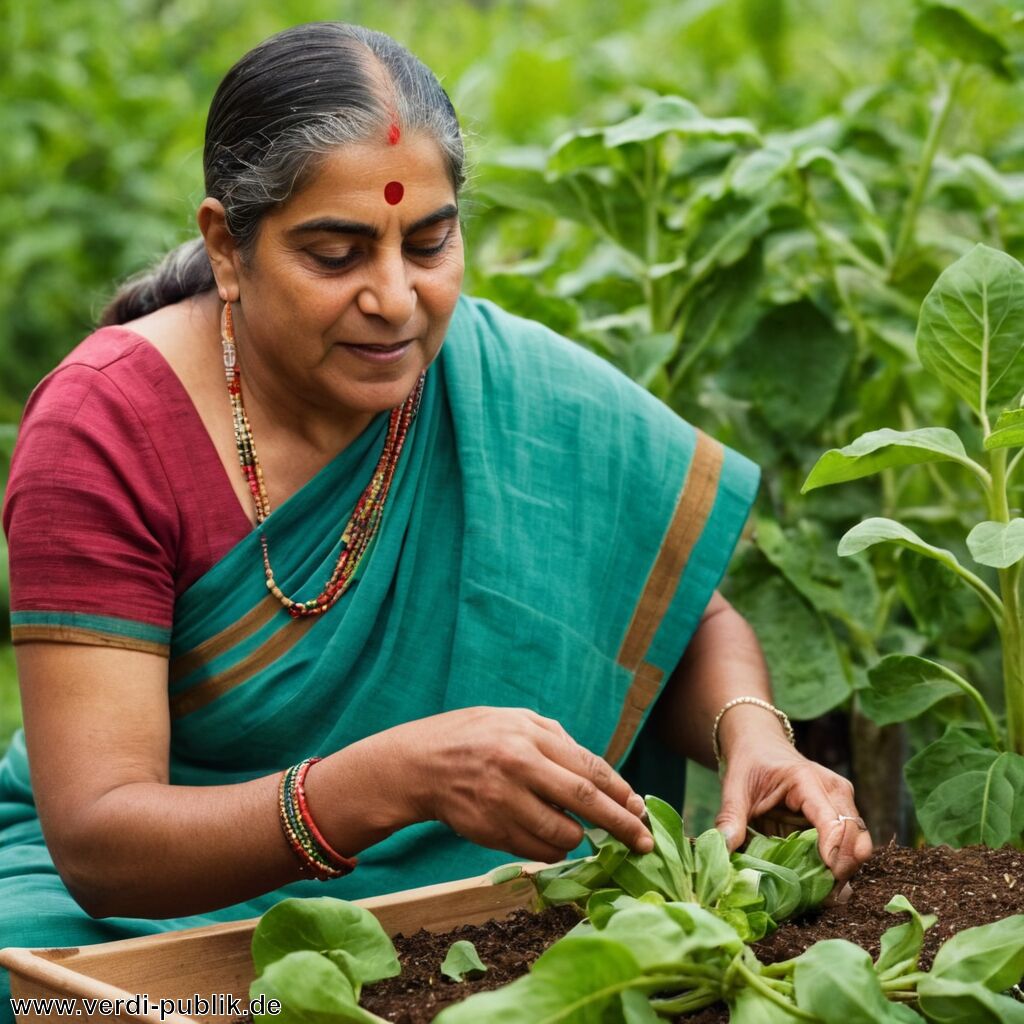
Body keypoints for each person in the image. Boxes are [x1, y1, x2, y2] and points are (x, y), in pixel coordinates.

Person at [0, 21, 871, 1016]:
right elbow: (105, 843)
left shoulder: (504, 386)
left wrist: (753, 736)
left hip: (469, 912)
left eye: (429, 242)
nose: (395, 298)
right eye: (335, 253)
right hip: (150, 926)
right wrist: (392, 779)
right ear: (224, 247)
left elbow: (687, 618)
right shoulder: (108, 429)